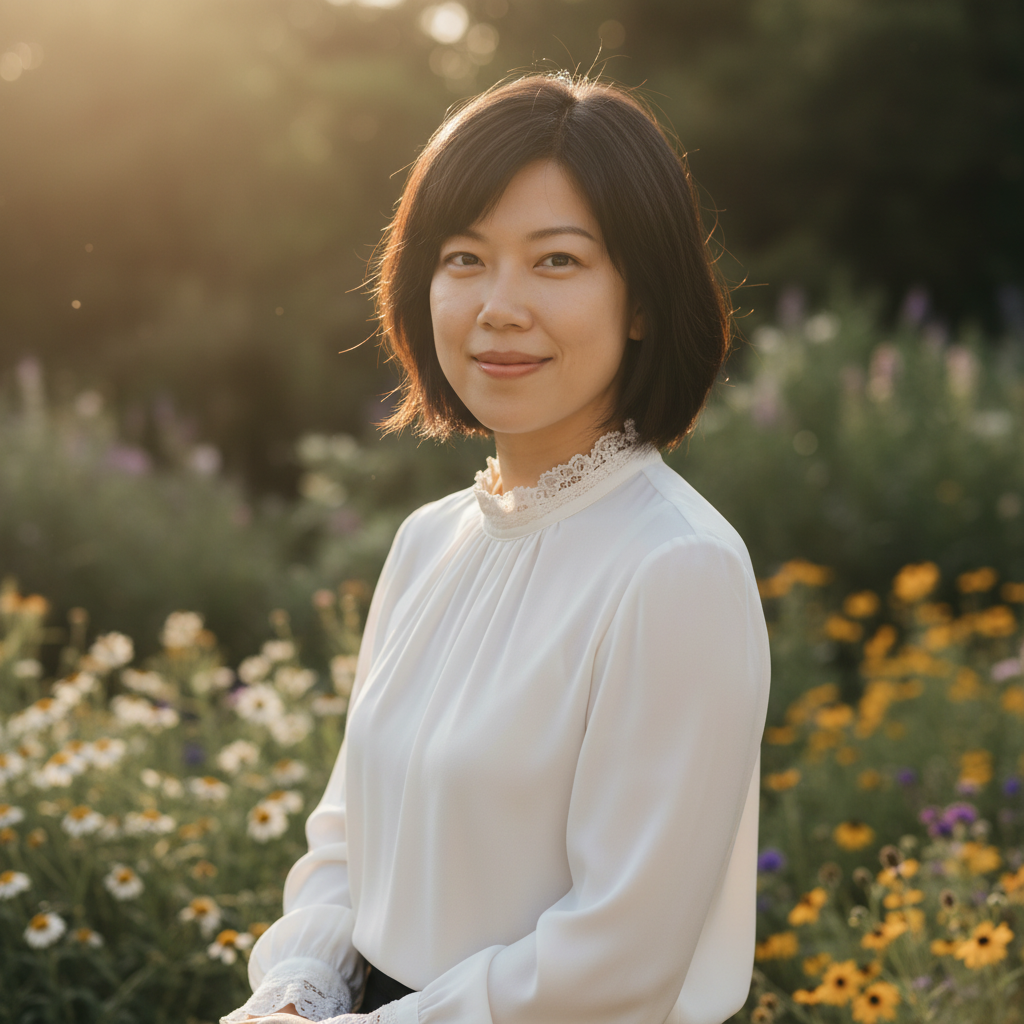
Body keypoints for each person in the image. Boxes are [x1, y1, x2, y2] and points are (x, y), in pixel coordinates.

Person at [221, 72, 770, 1024]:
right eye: (464, 259)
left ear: (643, 300)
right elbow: (352, 840)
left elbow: (620, 956)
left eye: (556, 262)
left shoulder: (677, 570)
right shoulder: (428, 541)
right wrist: (298, 992)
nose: (499, 306)